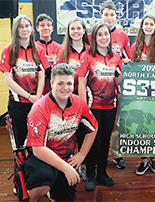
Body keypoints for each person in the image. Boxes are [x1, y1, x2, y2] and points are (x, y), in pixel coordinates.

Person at [23, 63, 98, 202]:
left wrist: (81, 154)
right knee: (43, 180)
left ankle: (53, 190)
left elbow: (93, 128)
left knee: (66, 197)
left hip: (65, 157)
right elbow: (38, 149)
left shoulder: (79, 103)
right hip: (41, 157)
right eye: (60, 83)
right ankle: (31, 197)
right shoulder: (39, 108)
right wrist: (66, 168)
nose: (65, 88)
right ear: (51, 83)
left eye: (69, 83)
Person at [77, 21, 122, 191]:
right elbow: (81, 82)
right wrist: (83, 107)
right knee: (93, 141)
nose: (104, 37)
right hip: (92, 107)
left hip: (110, 107)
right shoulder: (87, 56)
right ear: (94, 38)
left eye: (106, 34)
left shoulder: (115, 57)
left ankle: (102, 173)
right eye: (100, 34)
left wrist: (130, 70)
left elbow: (118, 79)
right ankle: (90, 174)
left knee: (104, 141)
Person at [0, 15, 49, 148]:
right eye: (21, 26)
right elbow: (9, 81)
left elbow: (41, 76)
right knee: (20, 140)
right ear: (16, 29)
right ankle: (21, 167)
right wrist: (29, 97)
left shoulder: (39, 50)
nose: (24, 29)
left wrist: (37, 97)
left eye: (27, 26)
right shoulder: (8, 50)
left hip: (37, 102)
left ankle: (36, 167)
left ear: (32, 28)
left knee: (37, 138)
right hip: (18, 104)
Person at [55, 18, 90, 180]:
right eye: (72, 29)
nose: (76, 32)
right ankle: (65, 166)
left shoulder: (90, 50)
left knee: (84, 132)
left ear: (84, 31)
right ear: (68, 32)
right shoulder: (63, 51)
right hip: (66, 99)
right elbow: (57, 75)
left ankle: (84, 165)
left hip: (88, 99)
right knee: (69, 134)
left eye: (78, 28)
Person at [130, 14, 155, 175]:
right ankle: (143, 159)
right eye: (146, 24)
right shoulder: (135, 46)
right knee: (141, 127)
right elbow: (131, 69)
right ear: (142, 27)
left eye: (151, 24)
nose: (148, 26)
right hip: (139, 94)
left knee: (153, 126)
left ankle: (152, 158)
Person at [100, 0, 132, 169]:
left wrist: (127, 61)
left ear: (116, 16)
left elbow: (130, 59)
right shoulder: (94, 35)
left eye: (112, 14)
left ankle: (116, 154)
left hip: (117, 87)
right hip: (98, 89)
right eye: (106, 14)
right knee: (97, 124)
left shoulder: (123, 36)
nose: (109, 17)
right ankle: (98, 154)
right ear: (101, 16)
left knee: (116, 123)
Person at [35, 13, 62, 95]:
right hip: (37, 90)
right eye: (42, 25)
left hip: (55, 90)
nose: (46, 28)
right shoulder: (33, 48)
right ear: (37, 28)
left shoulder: (60, 48)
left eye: (48, 25)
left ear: (52, 28)